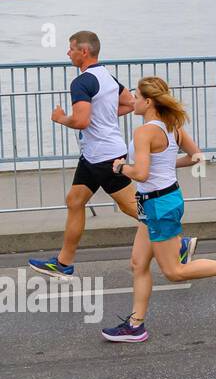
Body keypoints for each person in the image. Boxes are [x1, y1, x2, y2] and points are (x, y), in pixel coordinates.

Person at [99, 77, 216, 342]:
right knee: (138, 263)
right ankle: (135, 325)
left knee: (174, 272)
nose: (133, 101)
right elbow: (197, 156)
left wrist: (120, 168)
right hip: (161, 200)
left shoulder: (144, 132)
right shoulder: (172, 127)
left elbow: (140, 173)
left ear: (148, 101)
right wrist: (163, 165)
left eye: (137, 97)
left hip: (158, 204)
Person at [31, 31, 196, 277]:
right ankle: (63, 263)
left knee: (136, 208)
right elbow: (129, 104)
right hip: (94, 156)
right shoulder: (107, 77)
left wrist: (60, 118)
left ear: (83, 52)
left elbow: (81, 121)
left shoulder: (81, 82)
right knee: (75, 201)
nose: (68, 53)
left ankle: (179, 244)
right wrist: (104, 116)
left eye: (71, 48)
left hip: (104, 158)